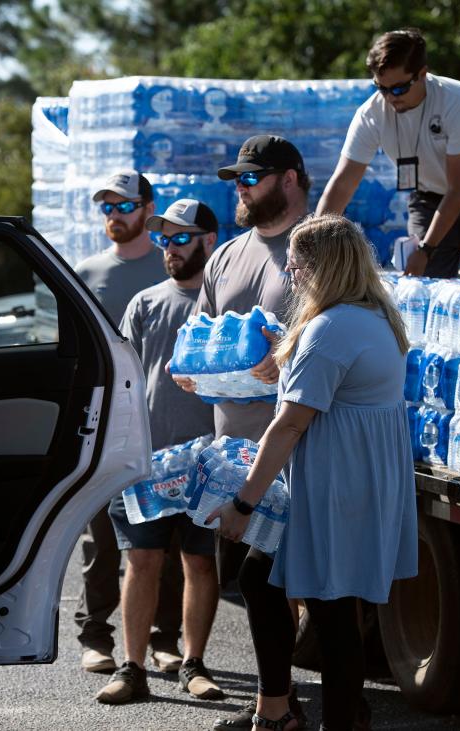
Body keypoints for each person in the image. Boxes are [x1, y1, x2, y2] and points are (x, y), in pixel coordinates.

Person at [208, 214, 419, 731]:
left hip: (337, 484)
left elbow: (288, 426)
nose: (294, 277)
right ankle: (278, 709)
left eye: (298, 266)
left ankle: (327, 718)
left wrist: (243, 503)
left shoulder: (330, 329)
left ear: (323, 268)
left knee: (329, 608)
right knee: (270, 581)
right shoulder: (372, 315)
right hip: (355, 478)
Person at [171, 135, 309, 729]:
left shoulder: (318, 246)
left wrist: (289, 351)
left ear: (291, 179)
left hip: (299, 445)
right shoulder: (226, 255)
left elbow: (346, 324)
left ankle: (282, 706)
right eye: (238, 178)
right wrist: (190, 370)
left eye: (254, 177)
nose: (242, 188)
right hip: (235, 448)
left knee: (279, 580)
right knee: (257, 583)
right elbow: (202, 335)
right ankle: (283, 700)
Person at [97, 199, 224, 705]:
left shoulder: (224, 306)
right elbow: (124, 383)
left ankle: (193, 664)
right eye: (163, 239)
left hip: (209, 463)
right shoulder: (146, 303)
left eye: (180, 238)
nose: (168, 249)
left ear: (208, 242)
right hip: (149, 461)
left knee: (199, 563)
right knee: (141, 560)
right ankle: (132, 668)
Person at [316, 28, 460, 283]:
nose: (389, 98)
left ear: (422, 74)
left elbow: (458, 191)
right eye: (381, 88)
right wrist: (313, 239)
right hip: (428, 200)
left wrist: (425, 249)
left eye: (398, 89)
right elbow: (342, 183)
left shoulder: (458, 101)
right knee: (423, 293)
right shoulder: (371, 114)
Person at [74, 169, 184, 675]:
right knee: (101, 536)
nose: (114, 216)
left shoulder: (170, 270)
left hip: (163, 425)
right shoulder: (86, 271)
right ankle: (95, 635)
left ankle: (165, 640)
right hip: (107, 427)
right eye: (106, 208)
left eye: (123, 206)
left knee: (165, 535)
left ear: (146, 208)